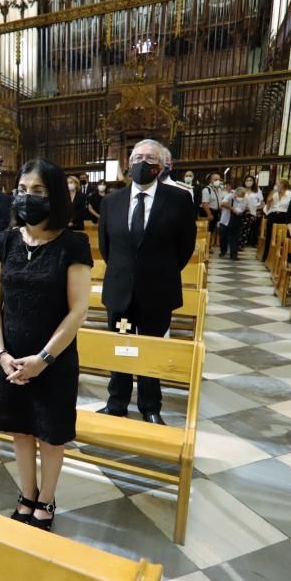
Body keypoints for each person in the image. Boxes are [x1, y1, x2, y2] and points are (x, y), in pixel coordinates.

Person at [0, 157, 91, 531]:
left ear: (56, 196)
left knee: (50, 434)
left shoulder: (73, 244)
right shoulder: (5, 240)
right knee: (21, 431)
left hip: (54, 360)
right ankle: (26, 495)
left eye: (38, 191)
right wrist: (2, 355)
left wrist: (43, 359)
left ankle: (46, 499)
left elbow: (78, 310)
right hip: (9, 360)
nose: (28, 198)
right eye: (23, 191)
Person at [96, 139, 196, 425]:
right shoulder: (111, 201)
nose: (143, 162)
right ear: (129, 163)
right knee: (122, 347)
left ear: (162, 166)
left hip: (157, 290)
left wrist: (156, 270)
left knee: (151, 349)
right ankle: (116, 402)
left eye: (150, 158)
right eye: (137, 156)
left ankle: (150, 406)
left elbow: (184, 248)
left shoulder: (178, 199)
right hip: (120, 291)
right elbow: (107, 248)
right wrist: (127, 270)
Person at [261, 178, 291, 261]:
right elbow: (266, 210)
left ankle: (280, 258)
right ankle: (267, 257)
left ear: (283, 185)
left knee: (281, 238)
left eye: (277, 184)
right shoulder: (274, 194)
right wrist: (268, 202)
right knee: (270, 236)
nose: (275, 186)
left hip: (284, 217)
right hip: (273, 216)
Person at [218, 186, 248, 259]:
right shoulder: (229, 196)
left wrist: (239, 212)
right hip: (225, 220)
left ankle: (234, 255)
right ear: (235, 193)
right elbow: (223, 204)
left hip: (236, 220)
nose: (240, 197)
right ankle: (223, 251)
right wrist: (233, 209)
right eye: (238, 195)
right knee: (223, 237)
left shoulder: (245, 199)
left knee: (235, 238)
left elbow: (243, 209)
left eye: (242, 196)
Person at [242, 175, 264, 248]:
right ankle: (243, 243)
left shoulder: (257, 190)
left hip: (254, 212)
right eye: (247, 180)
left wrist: (257, 209)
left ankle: (253, 243)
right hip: (243, 212)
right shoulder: (242, 190)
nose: (249, 182)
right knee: (243, 228)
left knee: (254, 228)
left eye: (250, 180)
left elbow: (262, 203)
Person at [201, 173, 224, 242]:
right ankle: (205, 246)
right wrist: (209, 214)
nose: (218, 181)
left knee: (212, 230)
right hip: (208, 211)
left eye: (219, 180)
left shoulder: (219, 189)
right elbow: (205, 203)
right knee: (207, 230)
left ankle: (210, 245)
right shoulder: (207, 190)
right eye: (215, 179)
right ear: (210, 180)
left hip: (216, 212)